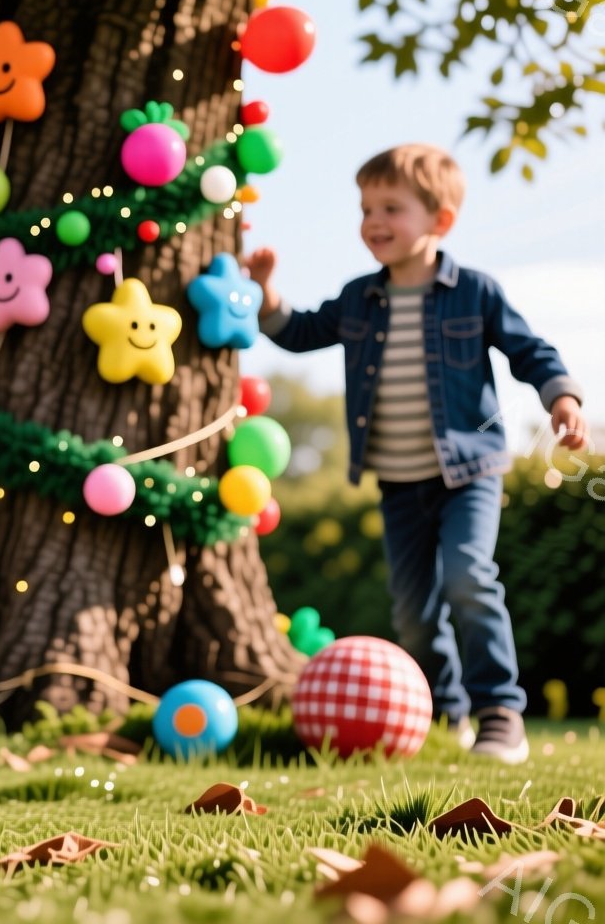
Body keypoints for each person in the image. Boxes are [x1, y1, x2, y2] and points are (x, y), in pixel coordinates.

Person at [247, 143, 588, 764]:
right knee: (413, 609)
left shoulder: (474, 292)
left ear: (440, 221)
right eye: (366, 207)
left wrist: (560, 398)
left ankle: (500, 713)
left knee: (467, 577)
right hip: (398, 481)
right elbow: (298, 335)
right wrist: (268, 295)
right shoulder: (359, 298)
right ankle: (447, 710)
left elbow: (530, 350)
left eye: (390, 208)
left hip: (469, 473)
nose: (373, 220)